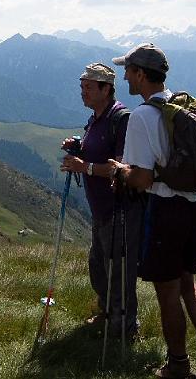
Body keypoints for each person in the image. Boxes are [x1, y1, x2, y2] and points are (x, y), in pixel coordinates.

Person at [114, 43, 196, 379]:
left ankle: (178, 365)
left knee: (166, 289)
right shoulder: (183, 105)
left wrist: (121, 171)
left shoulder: (143, 116)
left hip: (166, 208)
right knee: (188, 281)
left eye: (128, 70)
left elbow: (143, 177)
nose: (125, 76)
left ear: (140, 74)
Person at [60, 62, 141, 343]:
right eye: (82, 87)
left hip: (119, 207)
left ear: (106, 89)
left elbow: (122, 167)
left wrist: (86, 168)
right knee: (99, 264)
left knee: (118, 270)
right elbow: (96, 151)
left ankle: (125, 328)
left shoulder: (121, 119)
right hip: (100, 207)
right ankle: (108, 313)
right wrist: (79, 147)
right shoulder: (96, 117)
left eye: (89, 87)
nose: (83, 92)